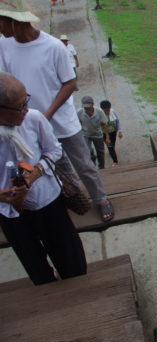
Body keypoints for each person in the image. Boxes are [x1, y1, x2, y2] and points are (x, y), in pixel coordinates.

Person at [0, 3, 114, 221]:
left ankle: (101, 199)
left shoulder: (53, 46)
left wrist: (47, 115)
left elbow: (70, 83)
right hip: (27, 123)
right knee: (49, 168)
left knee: (83, 164)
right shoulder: (4, 46)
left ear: (15, 23)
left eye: (1, 22)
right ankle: (69, 201)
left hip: (61, 122)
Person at [0, 72, 87, 285]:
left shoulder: (33, 119)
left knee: (70, 258)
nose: (26, 109)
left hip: (47, 200)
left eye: (26, 100)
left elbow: (54, 151)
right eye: (20, 106)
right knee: (34, 264)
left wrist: (37, 171)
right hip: (10, 212)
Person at [78, 96, 109, 169]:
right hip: (85, 135)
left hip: (97, 134)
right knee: (88, 151)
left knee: (100, 152)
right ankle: (93, 165)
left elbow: (104, 125)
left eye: (88, 107)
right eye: (85, 107)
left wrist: (107, 137)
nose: (87, 109)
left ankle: (102, 167)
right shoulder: (79, 112)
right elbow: (77, 125)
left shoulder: (99, 112)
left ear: (92, 104)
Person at [100, 100, 123, 166]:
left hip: (113, 132)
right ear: (102, 109)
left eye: (108, 109)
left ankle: (112, 151)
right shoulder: (100, 114)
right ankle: (115, 161)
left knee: (113, 143)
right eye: (105, 110)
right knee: (110, 146)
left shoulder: (112, 111)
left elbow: (117, 121)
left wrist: (120, 131)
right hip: (105, 133)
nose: (107, 111)